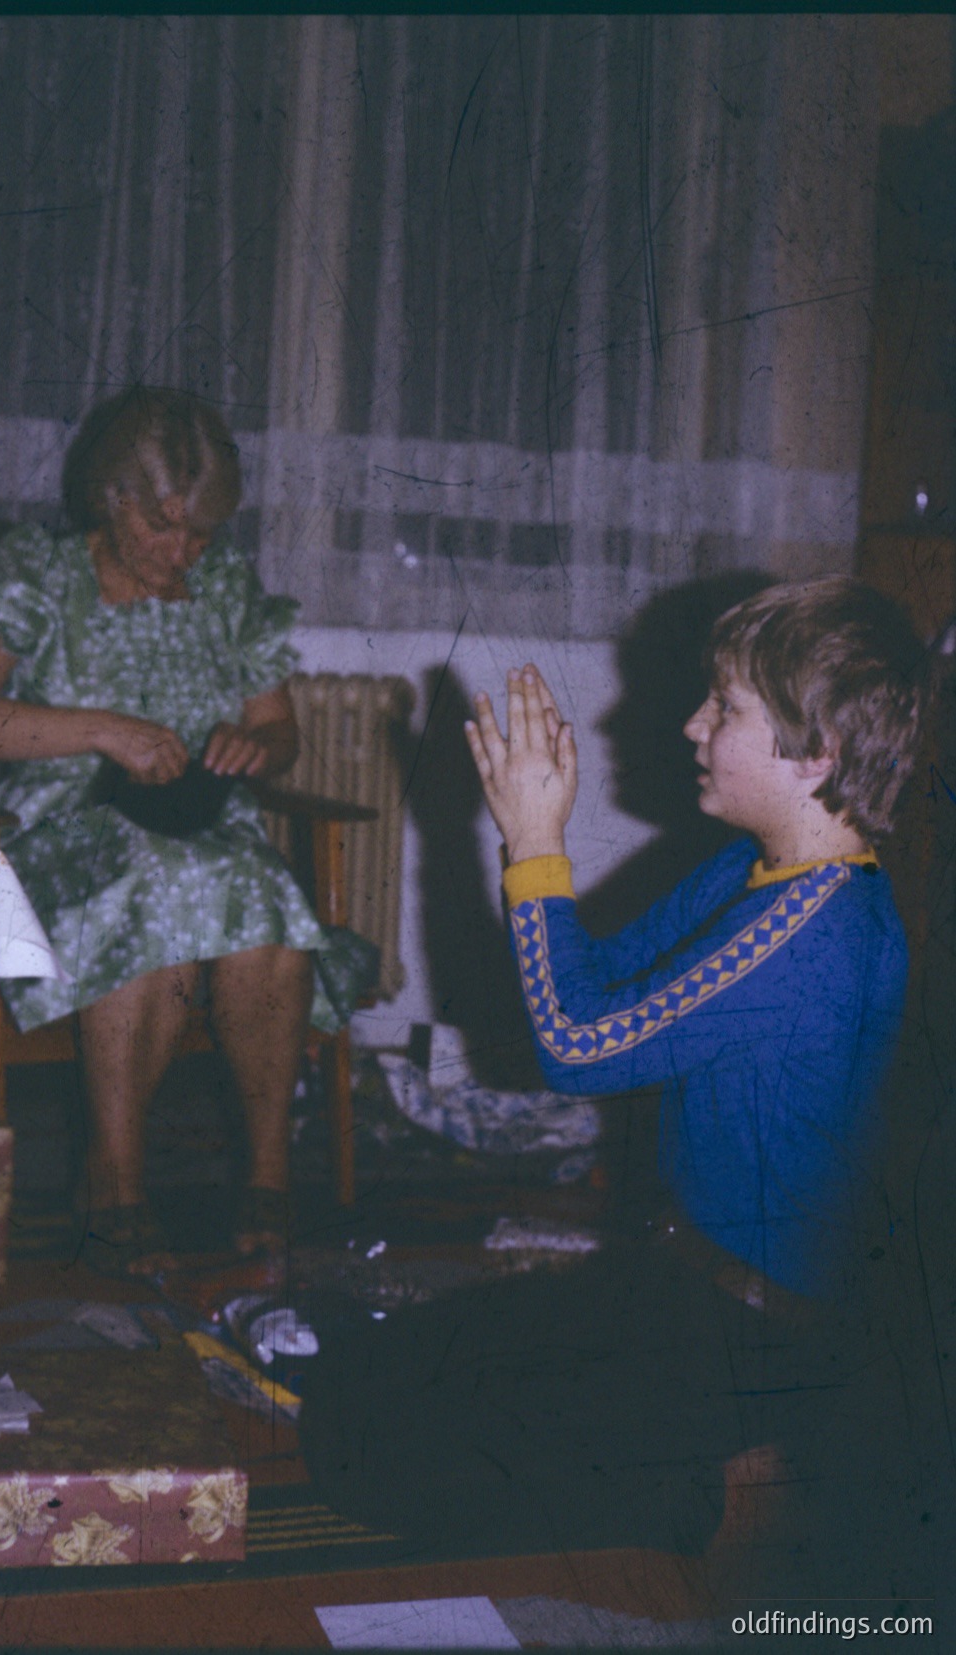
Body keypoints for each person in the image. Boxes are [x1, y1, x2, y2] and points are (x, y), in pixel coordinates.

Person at [300, 579, 929, 1588]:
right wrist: (529, 843)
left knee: (383, 1453)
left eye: (723, 706)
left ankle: (717, 1497)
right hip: (678, 1279)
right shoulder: (753, 872)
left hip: (751, 1336)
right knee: (368, 1378)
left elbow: (577, 1049)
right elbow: (590, 981)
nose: (692, 723)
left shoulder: (811, 930)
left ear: (816, 751)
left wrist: (532, 842)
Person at [0, 387, 348, 1271]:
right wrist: (102, 729)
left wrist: (256, 745)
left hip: (200, 826)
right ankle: (113, 1178)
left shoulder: (222, 586)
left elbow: (280, 730)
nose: (182, 551)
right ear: (111, 495)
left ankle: (267, 1175)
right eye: (162, 526)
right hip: (63, 824)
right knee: (152, 885)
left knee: (267, 900)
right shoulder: (37, 572)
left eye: (200, 532)